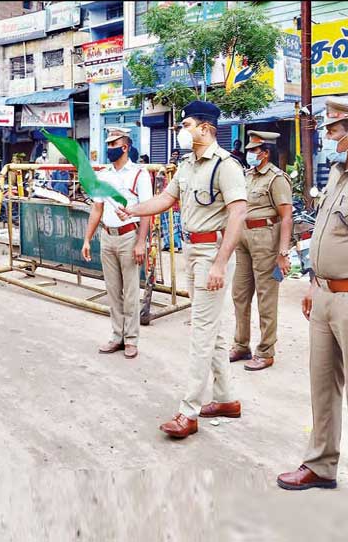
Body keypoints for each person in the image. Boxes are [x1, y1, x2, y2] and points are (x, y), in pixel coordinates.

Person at [277, 98, 348, 492]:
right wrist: (313, 283)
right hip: (324, 296)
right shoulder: (340, 174)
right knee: (322, 386)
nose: (327, 136)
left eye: (333, 129)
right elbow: (327, 233)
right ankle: (321, 465)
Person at [119, 100, 247, 439]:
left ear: (205, 128)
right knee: (214, 329)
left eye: (187, 125)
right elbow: (165, 199)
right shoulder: (188, 165)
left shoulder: (226, 166)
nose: (182, 131)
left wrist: (220, 262)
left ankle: (188, 412)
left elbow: (238, 216)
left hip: (212, 253)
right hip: (192, 250)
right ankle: (226, 399)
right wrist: (132, 209)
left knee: (201, 333)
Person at [82, 127, 152, 359]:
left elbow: (147, 212)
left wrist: (141, 242)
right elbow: (97, 208)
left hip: (129, 236)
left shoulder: (139, 174)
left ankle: (131, 339)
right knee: (112, 290)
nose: (109, 149)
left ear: (125, 147)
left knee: (131, 290)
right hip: (107, 236)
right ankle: (117, 335)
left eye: (113, 145)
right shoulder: (104, 175)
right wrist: (87, 238)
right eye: (108, 144)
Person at [229, 131, 293, 371]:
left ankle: (266, 351)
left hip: (266, 237)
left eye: (254, 150)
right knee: (240, 294)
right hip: (244, 238)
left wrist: (283, 252)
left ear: (265, 153)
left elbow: (287, 217)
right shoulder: (247, 176)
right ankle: (241, 344)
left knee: (266, 297)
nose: (249, 154)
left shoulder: (277, 179)